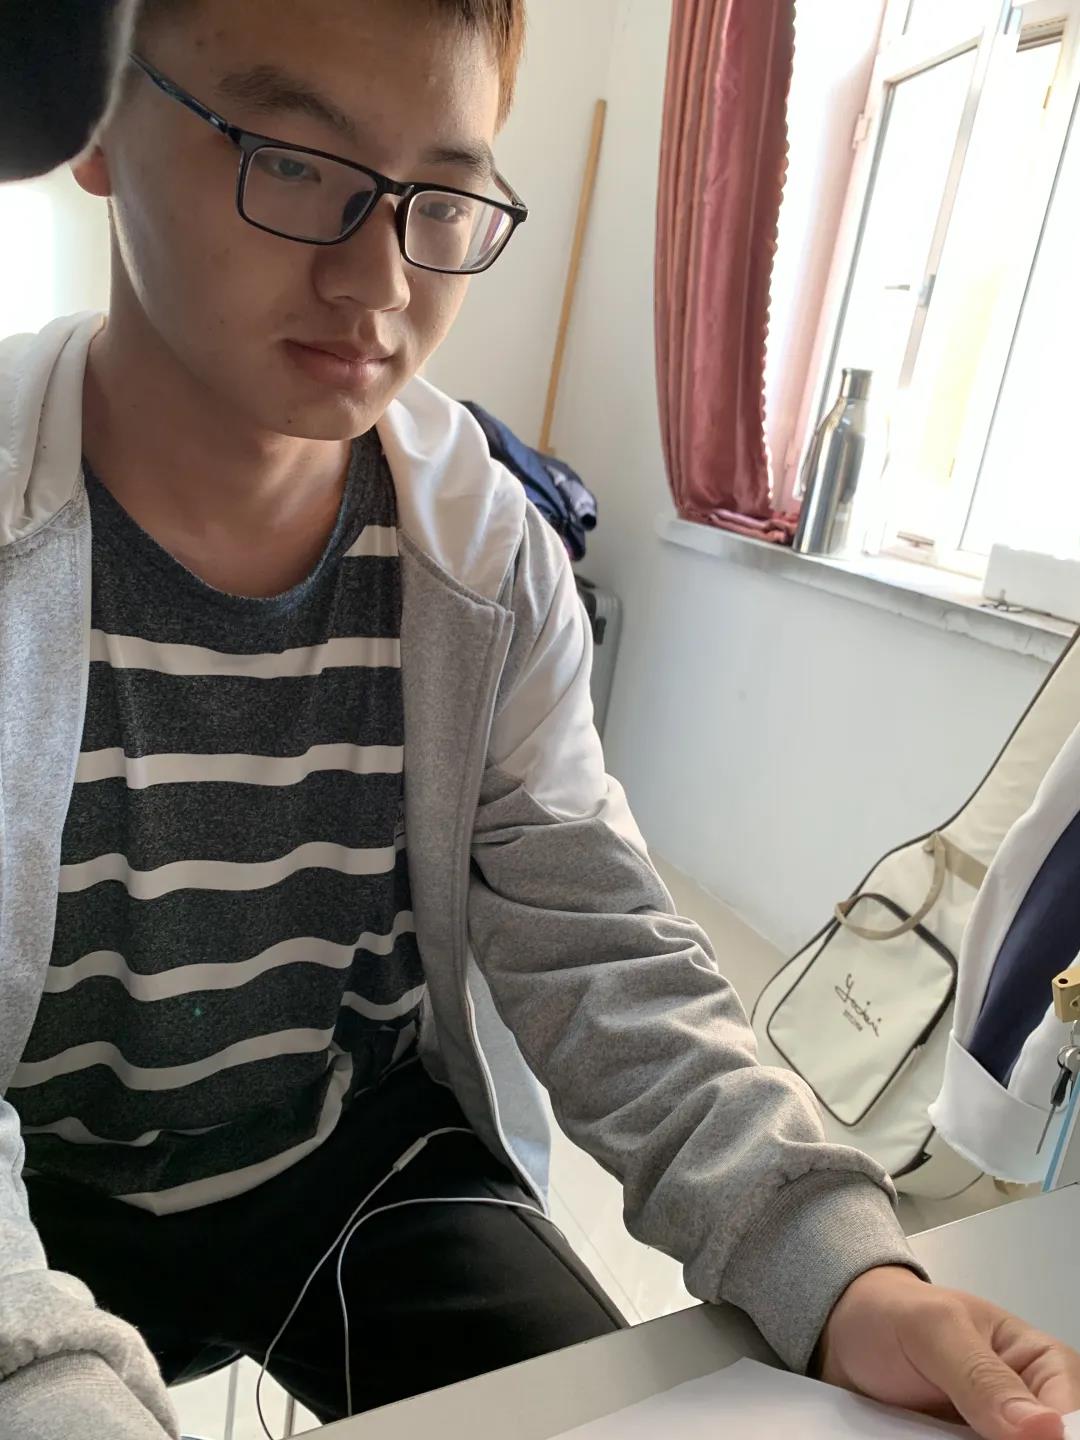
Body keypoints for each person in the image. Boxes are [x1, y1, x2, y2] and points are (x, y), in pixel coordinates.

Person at [0, 3, 1076, 1438]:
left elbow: (599, 944)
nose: (377, 279)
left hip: (347, 1154)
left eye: (439, 196)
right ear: (93, 124)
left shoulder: (483, 561)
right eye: (294, 162)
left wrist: (841, 1268)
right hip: (37, 1186)